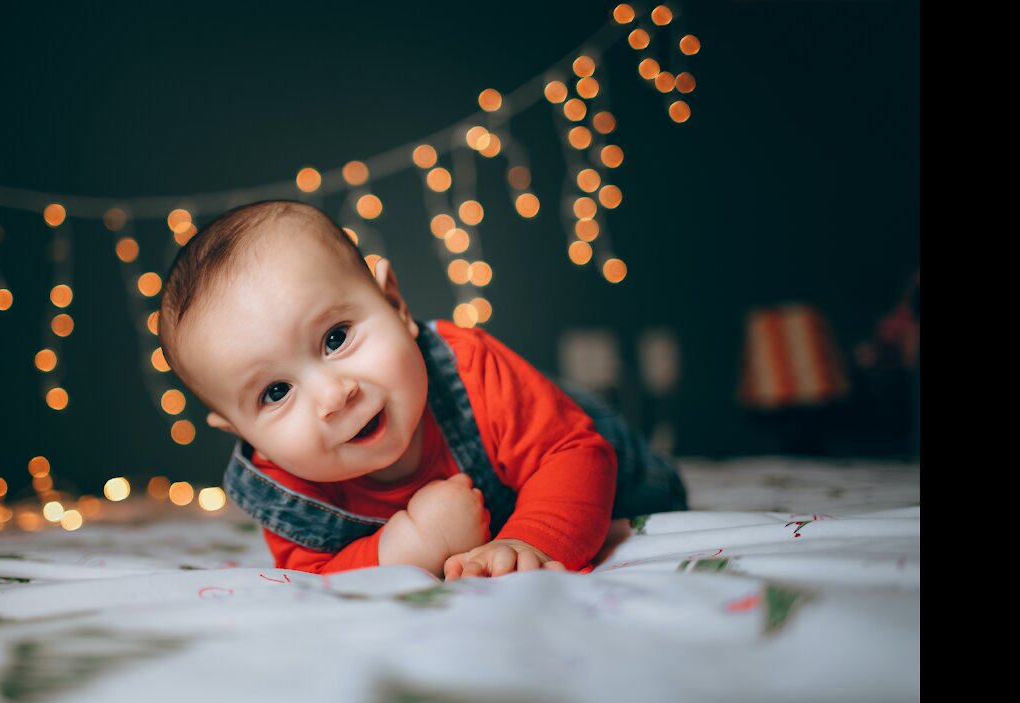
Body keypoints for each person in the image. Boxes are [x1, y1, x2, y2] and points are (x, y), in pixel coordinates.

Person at [157, 200, 686, 579]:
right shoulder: (287, 492)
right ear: (241, 432)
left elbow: (572, 453)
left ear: (394, 304)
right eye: (274, 393)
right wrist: (412, 546)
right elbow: (318, 575)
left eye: (336, 338)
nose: (333, 395)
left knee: (648, 491)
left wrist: (529, 541)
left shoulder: (472, 370)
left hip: (596, 452)